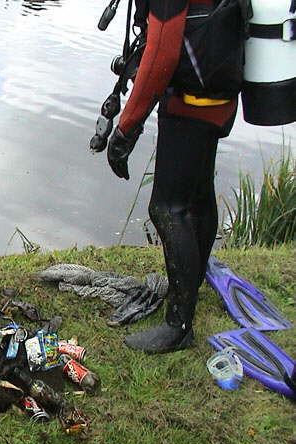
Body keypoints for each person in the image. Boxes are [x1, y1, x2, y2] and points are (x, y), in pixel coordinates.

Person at [105, 0, 240, 353]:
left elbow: (162, 52)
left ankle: (178, 325)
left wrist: (127, 128)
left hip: (190, 104)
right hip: (218, 93)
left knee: (167, 207)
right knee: (198, 195)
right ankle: (191, 284)